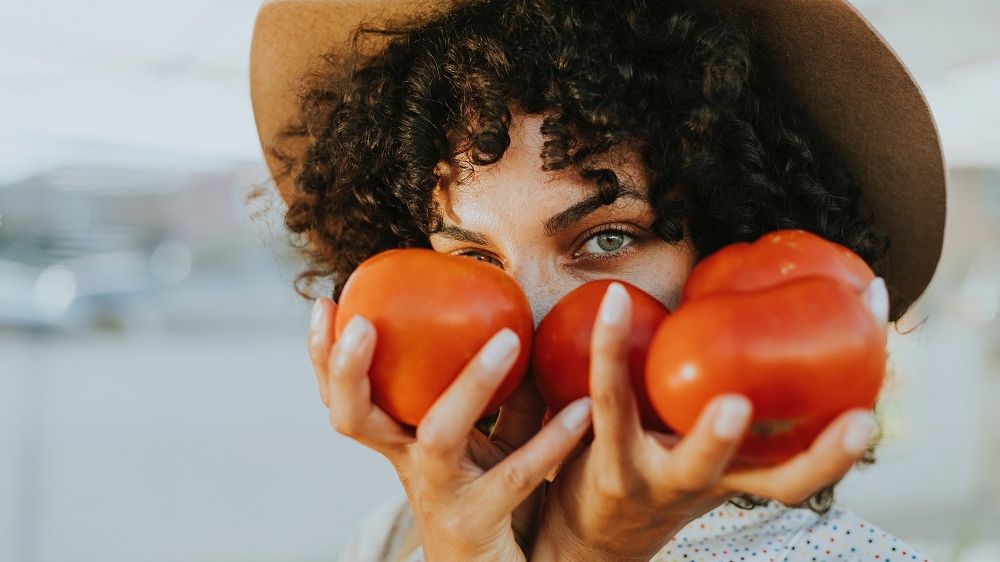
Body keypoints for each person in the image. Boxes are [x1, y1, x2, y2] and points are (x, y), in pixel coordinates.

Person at [249, 0, 946, 560]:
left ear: (738, 247)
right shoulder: (398, 538)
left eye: (607, 238)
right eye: (476, 261)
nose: (528, 320)